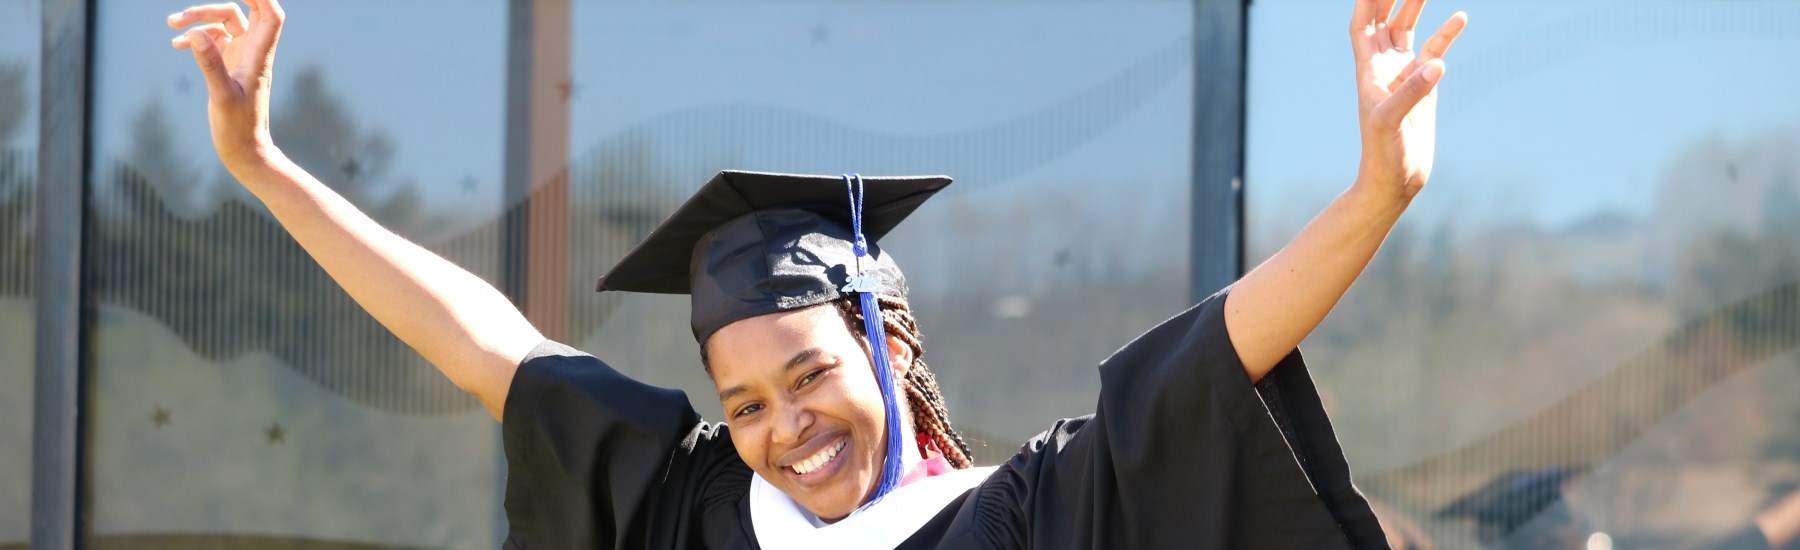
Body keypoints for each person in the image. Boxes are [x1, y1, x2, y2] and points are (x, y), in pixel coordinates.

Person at [167, 0, 1468, 547]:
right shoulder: (696, 510)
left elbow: (1211, 358)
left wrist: (1376, 194)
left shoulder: (1023, 517)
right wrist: (267, 167)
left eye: (808, 375)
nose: (784, 429)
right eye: (744, 404)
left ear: (888, 347)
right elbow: (486, 344)